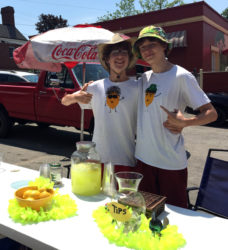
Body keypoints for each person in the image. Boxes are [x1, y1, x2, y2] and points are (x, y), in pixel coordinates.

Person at [132, 25, 218, 208]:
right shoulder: (144, 78)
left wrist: (186, 122)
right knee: (145, 215)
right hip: (143, 159)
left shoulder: (181, 76)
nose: (147, 50)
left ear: (164, 46)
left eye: (152, 44)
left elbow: (211, 113)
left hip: (169, 162)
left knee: (174, 218)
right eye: (142, 47)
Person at [61, 33, 139, 172]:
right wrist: (76, 97)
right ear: (107, 59)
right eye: (115, 52)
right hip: (98, 158)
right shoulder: (95, 87)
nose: (120, 56)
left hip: (127, 159)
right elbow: (64, 101)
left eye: (124, 52)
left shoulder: (138, 87)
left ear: (129, 58)